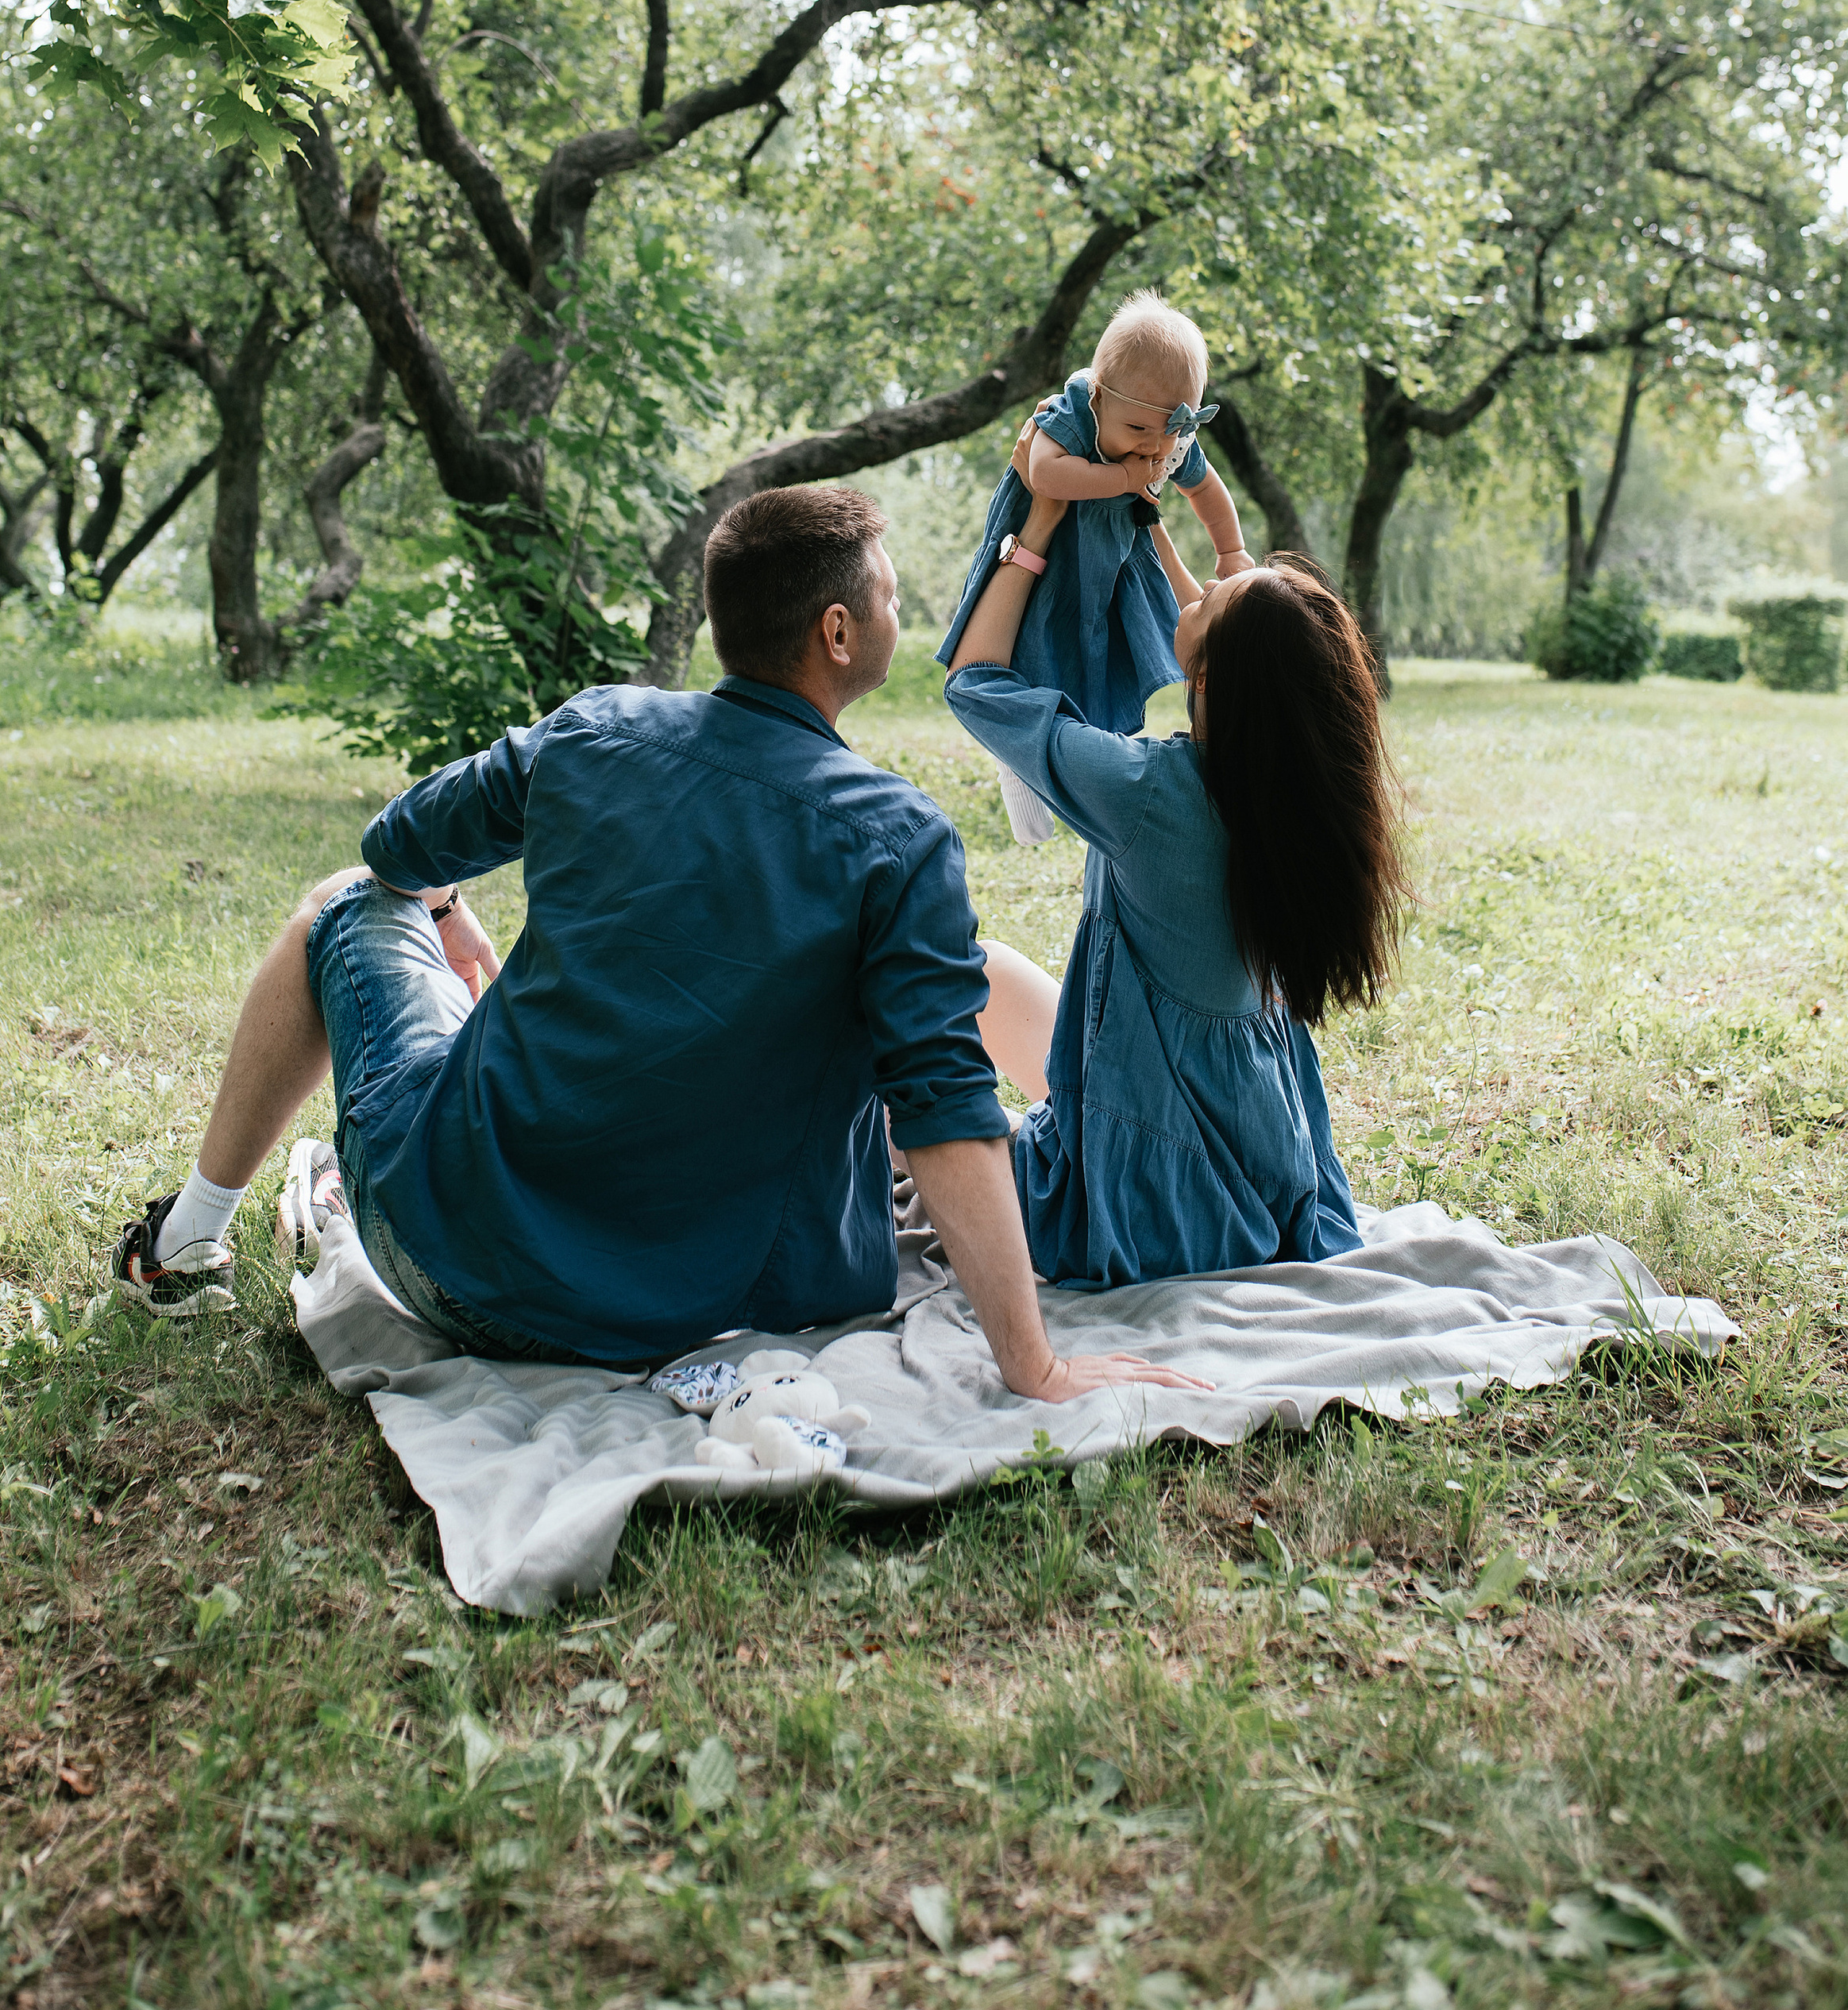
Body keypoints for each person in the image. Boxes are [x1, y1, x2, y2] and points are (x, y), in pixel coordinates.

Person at [110, 483, 1203, 1405]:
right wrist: (1036, 1366)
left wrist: (440, 904)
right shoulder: (899, 840)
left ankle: (184, 1242)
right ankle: (188, 1240)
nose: (897, 613)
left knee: (346, 901)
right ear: (837, 633)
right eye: (890, 597)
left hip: (451, 1255)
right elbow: (945, 1110)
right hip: (707, 1306)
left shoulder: (594, 731)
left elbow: (395, 845)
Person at [944, 428, 1406, 1283]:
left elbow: (976, 684)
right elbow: (1220, 625)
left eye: (1210, 601)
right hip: (1257, 1149)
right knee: (980, 969)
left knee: (920, 1069)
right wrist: (1146, 521)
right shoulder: (1294, 798)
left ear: (1213, 680)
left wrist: (1038, 528)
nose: (1197, 592)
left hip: (1151, 1185)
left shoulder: (1149, 793)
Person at [936, 293, 1253, 849]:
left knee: (1106, 652)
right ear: (1099, 397)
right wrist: (1125, 483)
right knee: (1034, 643)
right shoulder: (1074, 414)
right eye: (1136, 429)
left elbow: (1204, 488)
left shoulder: (1170, 438)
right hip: (1052, 551)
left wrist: (1229, 551)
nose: (1153, 448)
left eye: (1170, 432)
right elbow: (1046, 474)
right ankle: (1018, 757)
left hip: (1116, 559)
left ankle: (1086, 750)